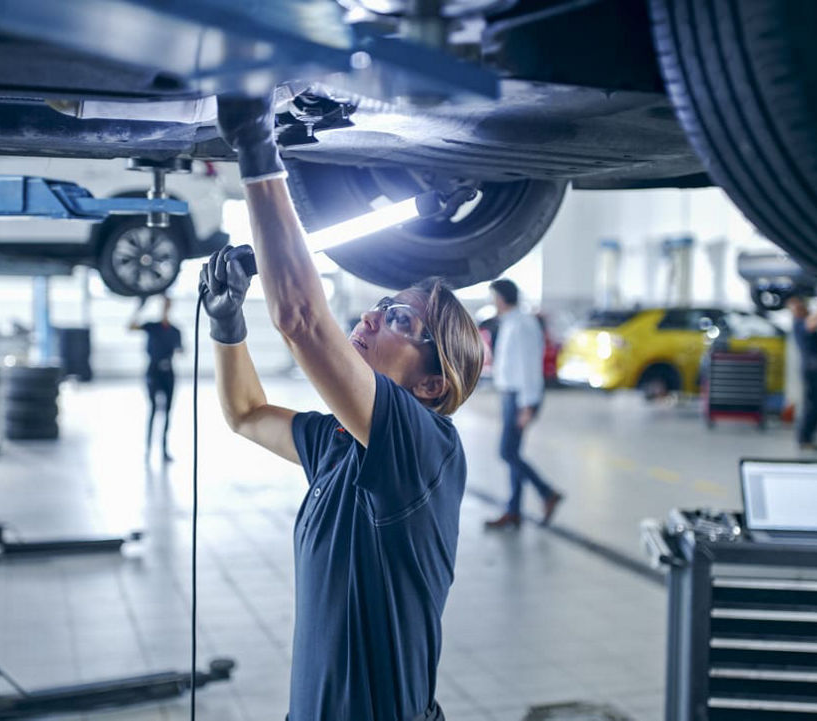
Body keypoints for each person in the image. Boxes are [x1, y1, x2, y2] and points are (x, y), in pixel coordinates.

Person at [204, 93, 484, 721]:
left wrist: (257, 149)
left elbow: (303, 319)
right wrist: (228, 329)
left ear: (432, 385)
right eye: (382, 304)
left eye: (400, 319)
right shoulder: (337, 443)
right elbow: (246, 413)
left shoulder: (426, 451)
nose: (371, 316)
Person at [484, 279, 563, 530]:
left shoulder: (523, 324)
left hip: (521, 398)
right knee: (513, 453)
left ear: (502, 298)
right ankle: (514, 511)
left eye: (494, 297)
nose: (492, 302)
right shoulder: (510, 323)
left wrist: (527, 406)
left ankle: (547, 492)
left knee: (506, 452)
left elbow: (530, 368)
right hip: (511, 395)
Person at [129, 294, 182, 462]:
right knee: (153, 409)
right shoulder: (152, 326)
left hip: (169, 372)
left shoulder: (175, 331)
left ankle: (164, 450)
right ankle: (148, 449)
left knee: (167, 411)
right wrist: (139, 308)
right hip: (153, 371)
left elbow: (181, 349)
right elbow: (131, 327)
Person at [787, 292, 817, 451]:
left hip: (816, 368)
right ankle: (803, 438)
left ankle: (808, 438)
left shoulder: (803, 320)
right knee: (811, 405)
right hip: (811, 370)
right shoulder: (799, 323)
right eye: (798, 307)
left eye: (802, 305)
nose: (802, 308)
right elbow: (811, 323)